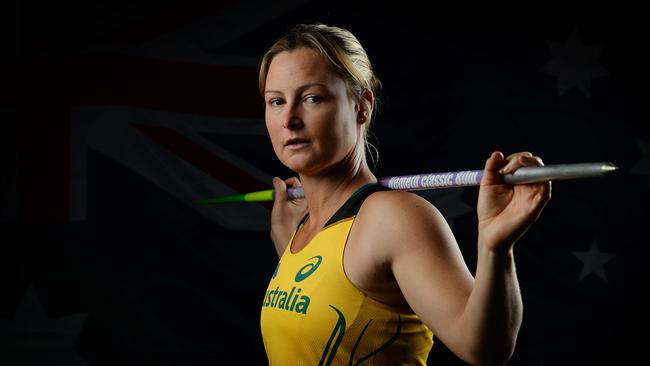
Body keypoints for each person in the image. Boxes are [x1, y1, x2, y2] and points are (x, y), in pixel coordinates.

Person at [258, 23, 550, 366]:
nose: (290, 119)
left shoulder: (393, 218)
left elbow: (483, 348)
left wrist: (494, 248)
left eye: (312, 98)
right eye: (276, 101)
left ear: (361, 106)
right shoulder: (302, 228)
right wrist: (290, 246)